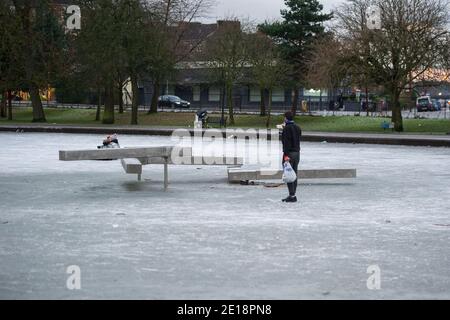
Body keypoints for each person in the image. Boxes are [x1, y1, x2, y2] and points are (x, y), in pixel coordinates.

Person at [281, 111, 302, 203]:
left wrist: (285, 155)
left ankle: (292, 195)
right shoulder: (298, 127)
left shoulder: (286, 129)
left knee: (289, 174)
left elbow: (286, 143)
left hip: (289, 154)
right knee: (294, 174)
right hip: (297, 153)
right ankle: (293, 194)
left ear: (286, 118)